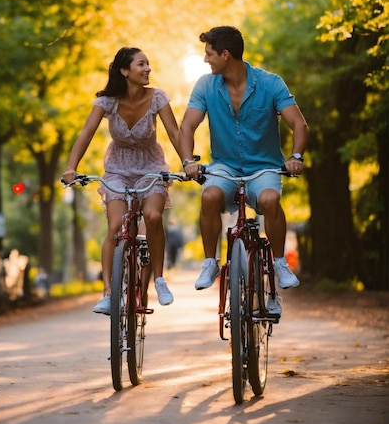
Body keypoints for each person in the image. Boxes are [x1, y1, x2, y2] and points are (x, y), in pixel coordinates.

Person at [180, 26, 309, 316]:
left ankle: (278, 263)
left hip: (264, 165)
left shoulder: (270, 83)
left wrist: (295, 157)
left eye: (209, 54)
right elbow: (187, 126)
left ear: (226, 55)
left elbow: (299, 124)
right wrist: (188, 161)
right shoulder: (205, 86)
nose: (205, 60)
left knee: (269, 200)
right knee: (210, 196)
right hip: (224, 166)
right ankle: (210, 262)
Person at [62, 47, 182, 315]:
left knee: (152, 217)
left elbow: (174, 133)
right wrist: (71, 167)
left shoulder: (158, 97)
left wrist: (188, 162)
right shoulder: (106, 102)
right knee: (116, 227)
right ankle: (107, 293)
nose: (148, 69)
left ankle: (159, 280)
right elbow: (86, 134)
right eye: (141, 64)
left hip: (151, 167)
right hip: (118, 168)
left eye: (148, 64)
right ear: (125, 71)